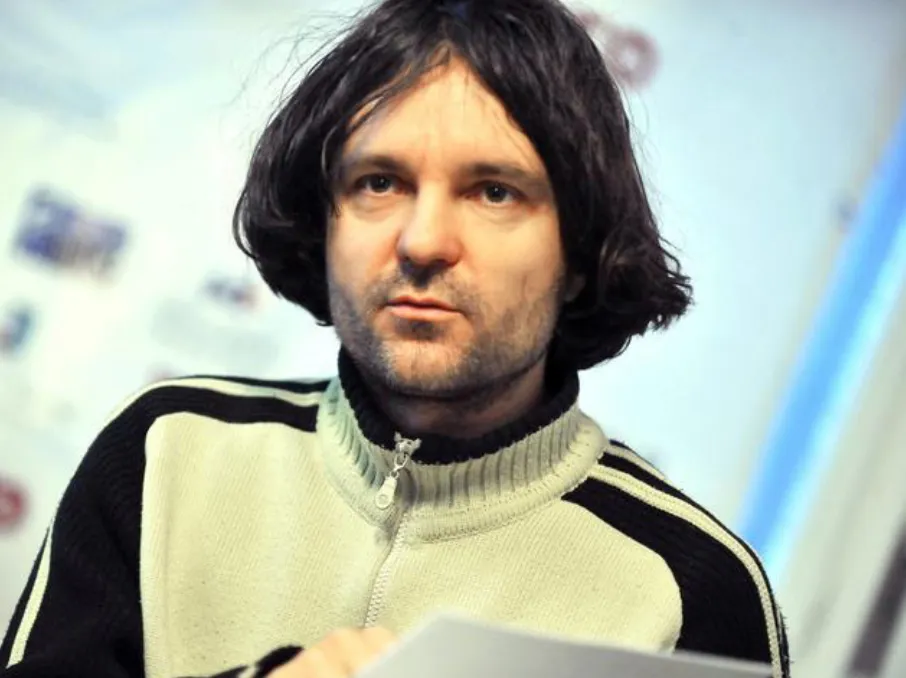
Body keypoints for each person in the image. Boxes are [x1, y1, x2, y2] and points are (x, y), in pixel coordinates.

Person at [1, 0, 791, 676]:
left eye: (494, 192)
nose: (422, 241)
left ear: (581, 255)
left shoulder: (692, 588)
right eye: (379, 182)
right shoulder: (165, 451)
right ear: (323, 222)